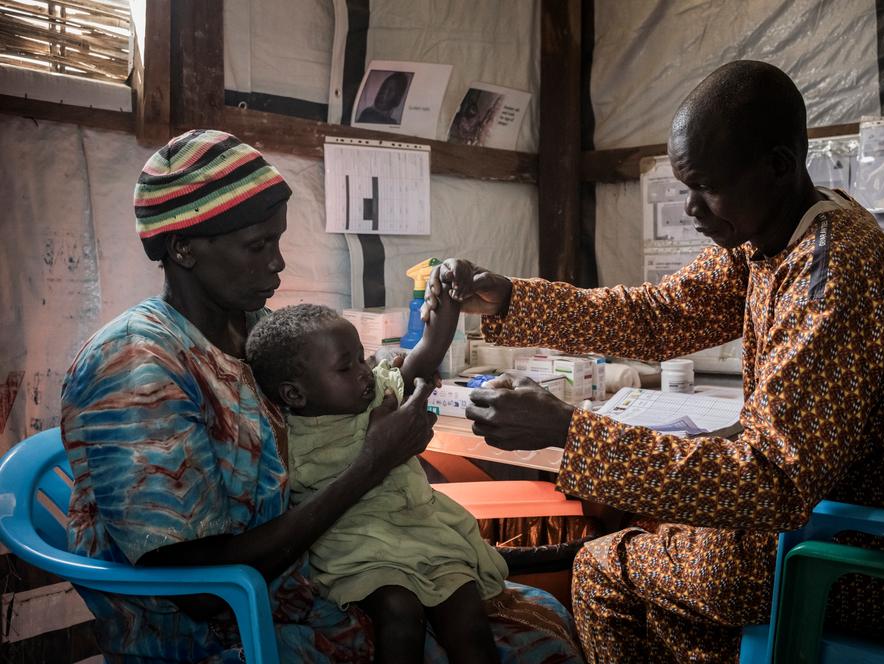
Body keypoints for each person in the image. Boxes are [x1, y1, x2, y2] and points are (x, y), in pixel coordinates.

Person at [423, 60, 884, 663]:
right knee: (659, 539)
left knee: (601, 568)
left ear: (778, 165)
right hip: (816, 524)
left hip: (849, 558)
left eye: (706, 186)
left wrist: (567, 430)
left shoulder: (831, 281)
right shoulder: (773, 235)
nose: (691, 207)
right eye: (684, 186)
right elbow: (660, 317)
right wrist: (511, 298)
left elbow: (770, 482)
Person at [61, 129, 582, 663]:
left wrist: (432, 335)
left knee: (540, 619)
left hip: (315, 584)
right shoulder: (137, 367)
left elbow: (361, 394)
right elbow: (199, 591)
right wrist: (372, 462)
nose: (278, 263)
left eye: (278, 241)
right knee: (531, 649)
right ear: (183, 248)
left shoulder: (254, 329)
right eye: (258, 246)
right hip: (223, 636)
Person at [245, 300, 508, 664]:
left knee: (469, 621)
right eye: (345, 367)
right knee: (399, 615)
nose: (363, 373)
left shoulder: (380, 395)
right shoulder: (289, 442)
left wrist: (447, 307)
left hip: (425, 537)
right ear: (295, 394)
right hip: (359, 551)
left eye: (361, 358)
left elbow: (425, 357)